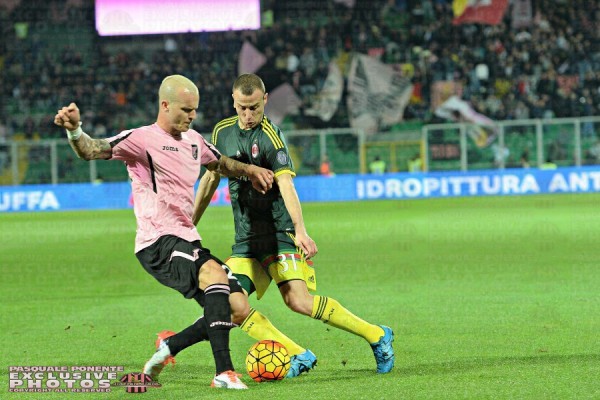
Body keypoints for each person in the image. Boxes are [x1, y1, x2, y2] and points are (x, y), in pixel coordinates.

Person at [53, 74, 276, 390]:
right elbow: (92, 149)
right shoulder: (141, 139)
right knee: (213, 274)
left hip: (186, 239)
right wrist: (75, 130)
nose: (192, 115)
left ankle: (170, 347)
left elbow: (221, 163)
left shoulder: (194, 141)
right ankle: (224, 372)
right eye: (186, 109)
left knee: (237, 307)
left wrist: (250, 170)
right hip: (157, 241)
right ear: (165, 105)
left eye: (195, 110)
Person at [194, 73, 395, 374]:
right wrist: (189, 223)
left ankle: (377, 335)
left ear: (265, 101)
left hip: (279, 233)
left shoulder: (271, 138)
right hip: (246, 238)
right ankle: (297, 354)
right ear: (233, 102)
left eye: (254, 108)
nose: (248, 115)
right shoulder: (221, 132)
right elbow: (210, 177)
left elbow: (286, 184)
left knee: (298, 301)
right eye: (242, 108)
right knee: (229, 303)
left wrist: (300, 231)